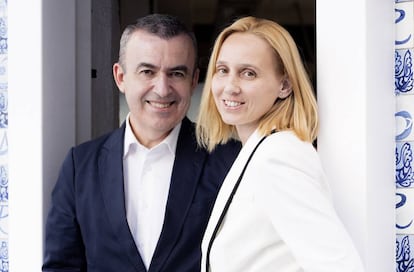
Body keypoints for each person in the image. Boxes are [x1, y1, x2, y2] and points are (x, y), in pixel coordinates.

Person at [42, 14, 240, 272]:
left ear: (193, 81)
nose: (162, 88)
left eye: (176, 73)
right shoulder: (80, 167)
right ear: (121, 77)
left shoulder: (229, 160)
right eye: (148, 71)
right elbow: (61, 267)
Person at [196, 16, 365, 271]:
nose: (230, 86)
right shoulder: (259, 150)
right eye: (222, 70)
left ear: (284, 85)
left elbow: (338, 265)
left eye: (248, 73)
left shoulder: (279, 156)